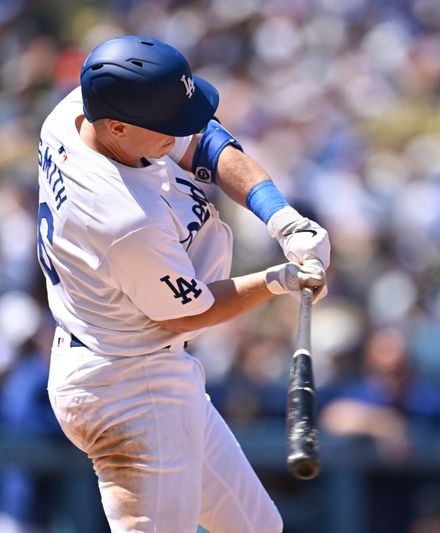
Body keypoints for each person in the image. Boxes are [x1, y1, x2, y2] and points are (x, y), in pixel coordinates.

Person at [35, 35, 331, 533]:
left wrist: (281, 217)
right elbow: (185, 312)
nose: (180, 134)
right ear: (118, 127)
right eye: (165, 127)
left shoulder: (77, 112)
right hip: (128, 387)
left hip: (135, 361)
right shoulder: (122, 220)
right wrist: (277, 280)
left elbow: (206, 140)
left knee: (257, 528)